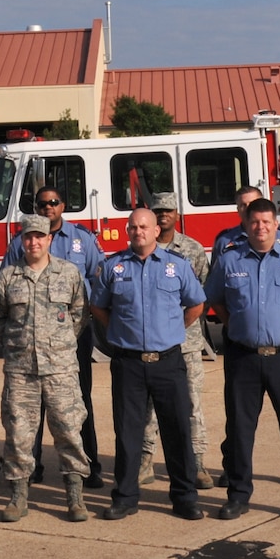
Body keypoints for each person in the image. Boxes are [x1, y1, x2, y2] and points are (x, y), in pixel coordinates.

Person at [204, 197, 280, 522]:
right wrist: (238, 326)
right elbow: (215, 299)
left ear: (275, 225)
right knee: (241, 430)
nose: (260, 227)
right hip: (243, 357)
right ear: (247, 224)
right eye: (255, 222)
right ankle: (239, 496)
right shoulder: (230, 259)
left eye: (266, 222)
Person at [89, 206, 206, 521]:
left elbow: (196, 304)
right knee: (128, 433)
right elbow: (98, 306)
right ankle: (125, 497)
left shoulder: (176, 266)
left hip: (168, 362)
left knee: (177, 431)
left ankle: (184, 498)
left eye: (143, 227)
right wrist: (119, 330)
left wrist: (173, 329)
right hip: (128, 363)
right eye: (132, 228)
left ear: (156, 231)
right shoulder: (112, 267)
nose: (137, 232)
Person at [0, 213, 92, 523]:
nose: (33, 242)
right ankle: (18, 496)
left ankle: (74, 495)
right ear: (21, 239)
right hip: (21, 371)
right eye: (28, 236)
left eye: (39, 236)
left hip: (60, 370)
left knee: (69, 431)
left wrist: (57, 343)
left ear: (49, 240)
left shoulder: (68, 273)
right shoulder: (8, 277)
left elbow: (79, 314)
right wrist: (18, 344)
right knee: (18, 434)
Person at [4, 186, 103, 487]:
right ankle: (30, 468)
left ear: (63, 205)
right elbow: (4, 293)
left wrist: (66, 337)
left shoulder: (82, 239)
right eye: (42, 204)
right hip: (28, 343)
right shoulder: (18, 243)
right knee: (28, 407)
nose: (48, 207)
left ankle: (88, 466)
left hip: (71, 340)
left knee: (78, 403)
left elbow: (95, 284)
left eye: (54, 202)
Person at [138, 194, 215, 489]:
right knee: (150, 407)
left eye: (168, 210)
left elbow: (202, 295)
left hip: (186, 344)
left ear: (177, 213)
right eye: (157, 211)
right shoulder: (144, 247)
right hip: (152, 347)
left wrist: (177, 326)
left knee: (192, 404)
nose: (163, 215)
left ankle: (196, 462)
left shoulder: (192, 249)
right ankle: (145, 461)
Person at [214, 186, 280, 254]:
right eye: (243, 205)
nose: (248, 208)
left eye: (253, 204)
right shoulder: (224, 241)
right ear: (238, 210)